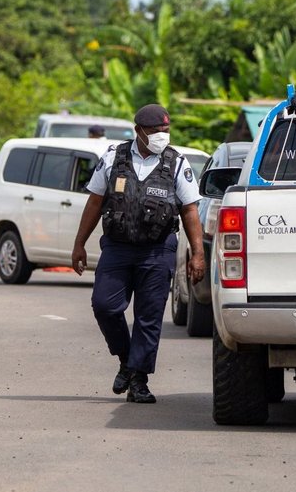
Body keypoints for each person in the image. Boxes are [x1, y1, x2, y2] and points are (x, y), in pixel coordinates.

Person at [72, 104, 205, 404]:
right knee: (104, 305)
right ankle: (126, 360)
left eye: (166, 130)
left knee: (149, 318)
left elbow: (190, 210)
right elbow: (94, 203)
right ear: (139, 131)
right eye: (156, 131)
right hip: (118, 247)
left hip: (157, 250)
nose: (162, 135)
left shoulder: (176, 162)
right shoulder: (113, 158)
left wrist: (197, 254)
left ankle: (139, 380)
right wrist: (79, 244)